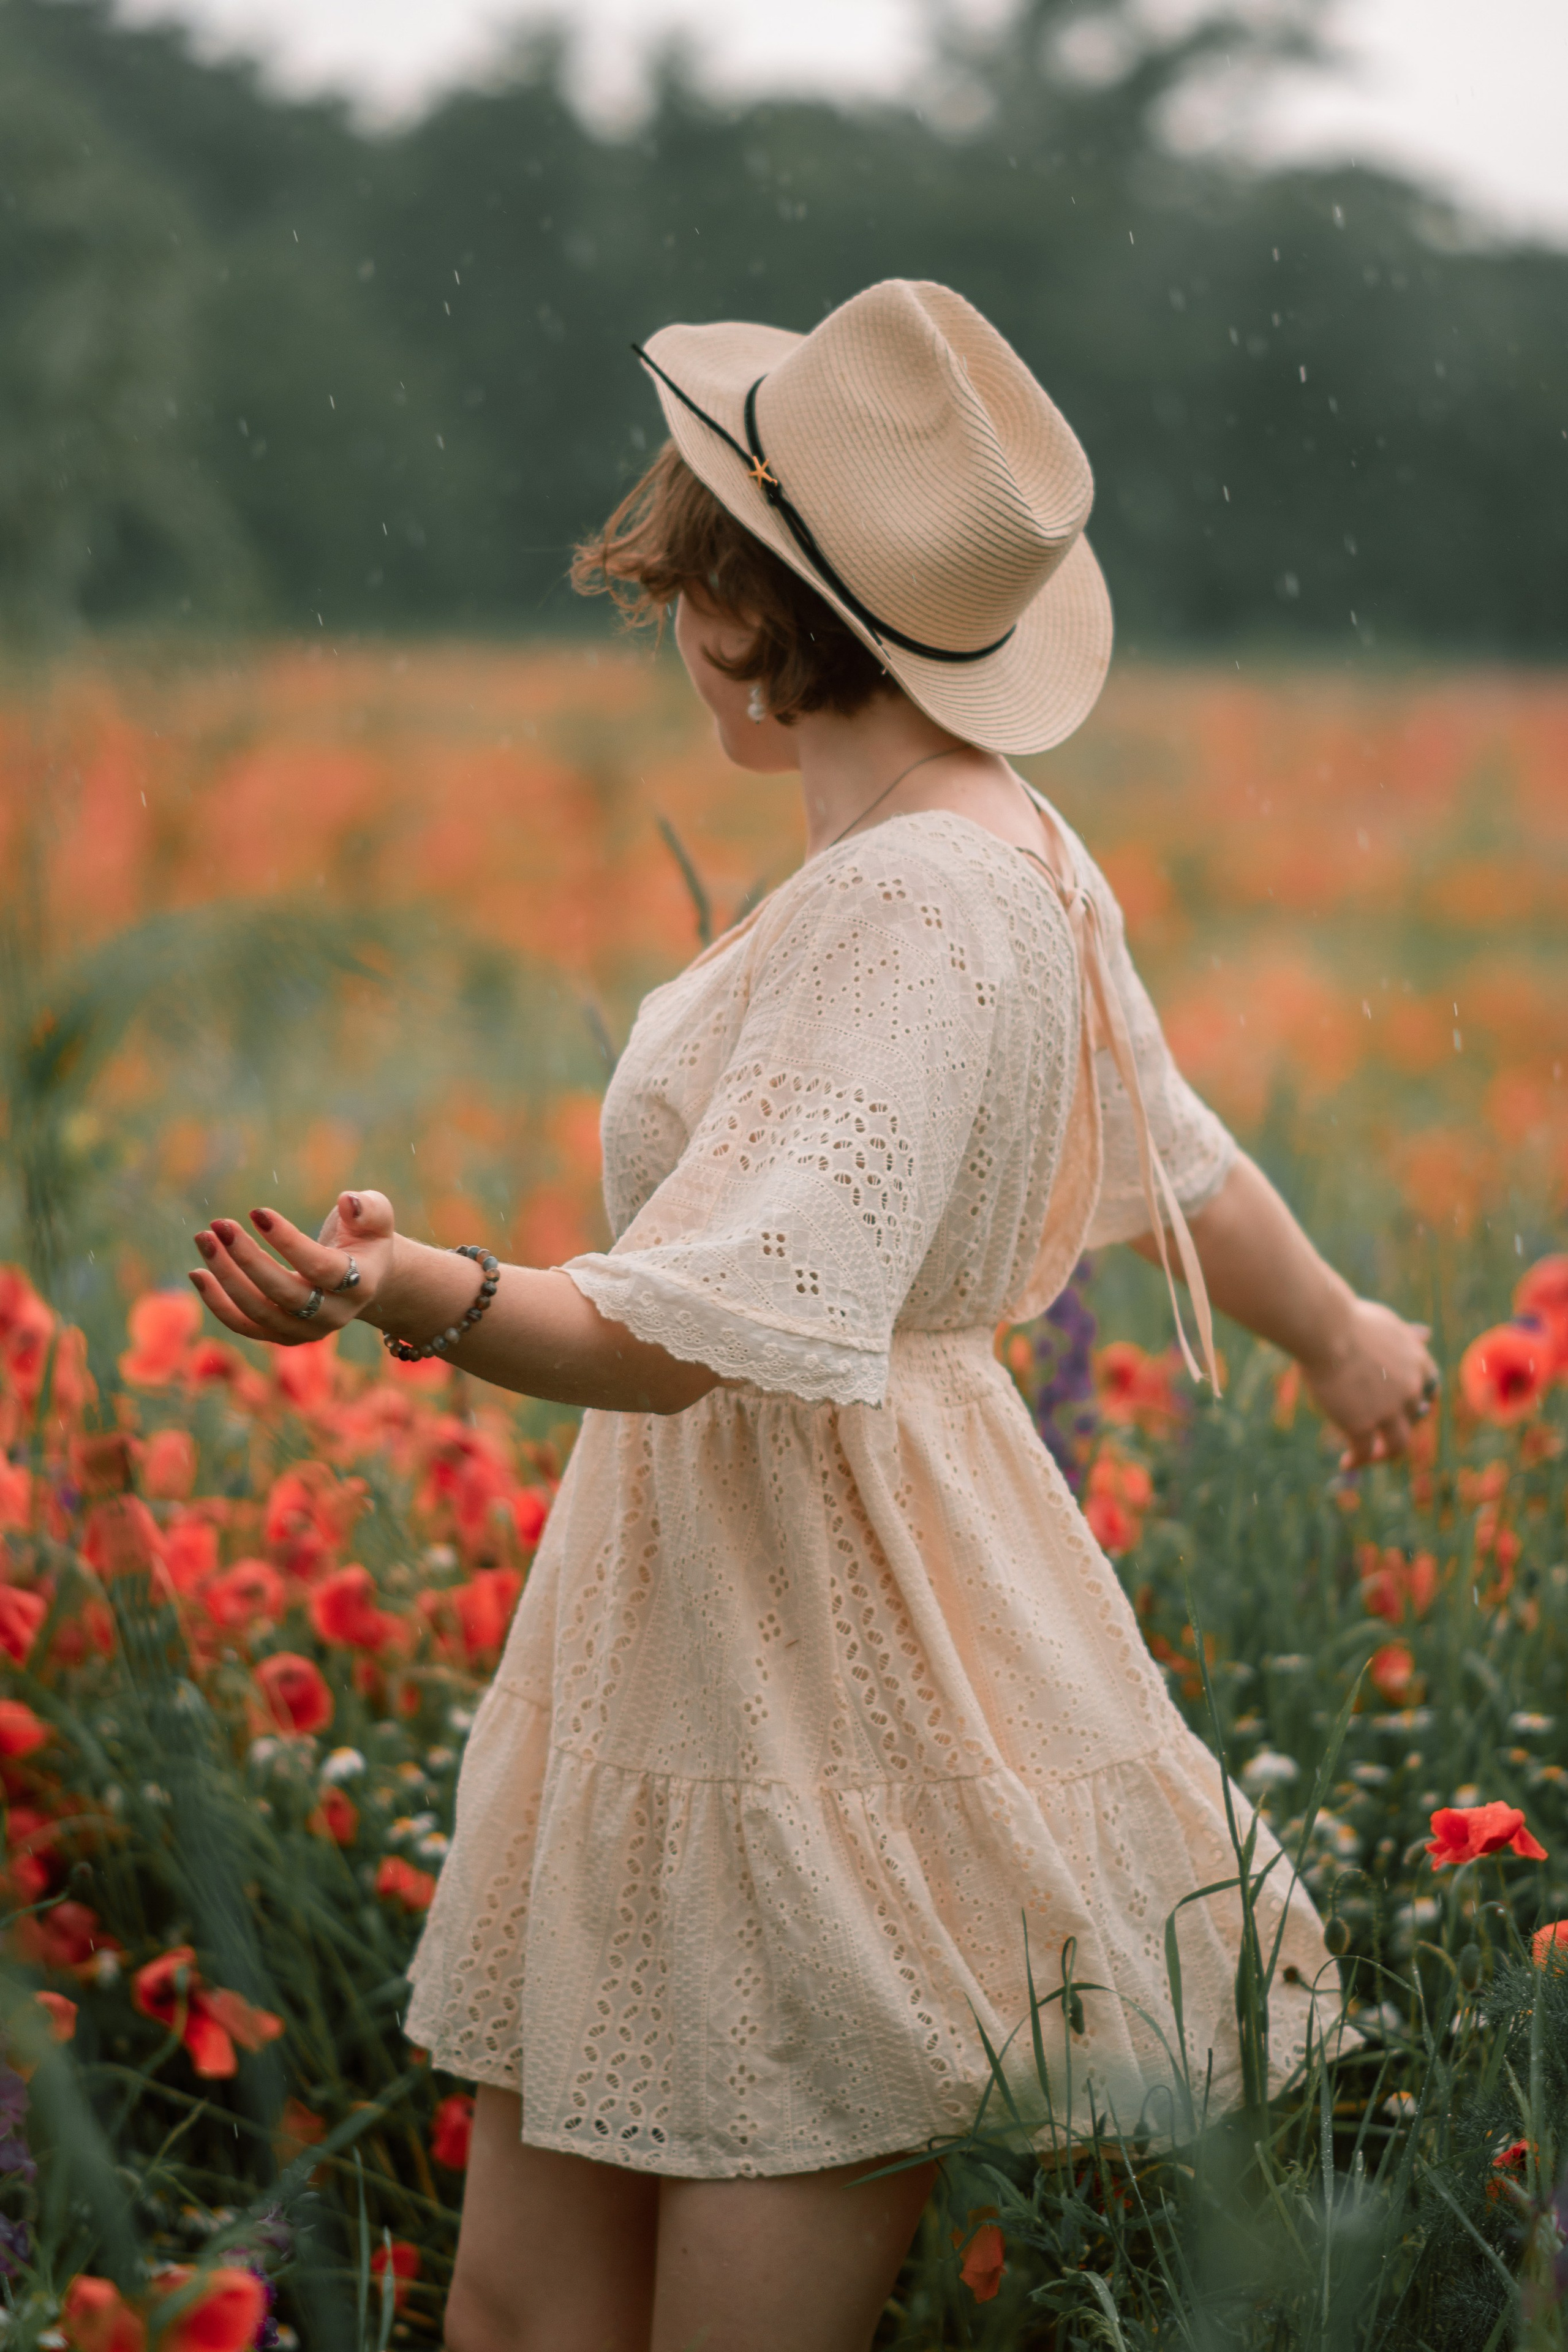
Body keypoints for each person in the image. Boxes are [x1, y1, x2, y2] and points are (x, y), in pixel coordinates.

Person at [189, 281, 1437, 2352]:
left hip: (818, 1632)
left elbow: (709, 1327)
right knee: (517, 2310)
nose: (671, 614)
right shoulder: (1013, 851)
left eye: (690, 574)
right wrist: (1341, 1330)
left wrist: (416, 1294)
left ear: (754, 614)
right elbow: (1179, 1154)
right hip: (712, 1605)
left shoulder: (913, 899)